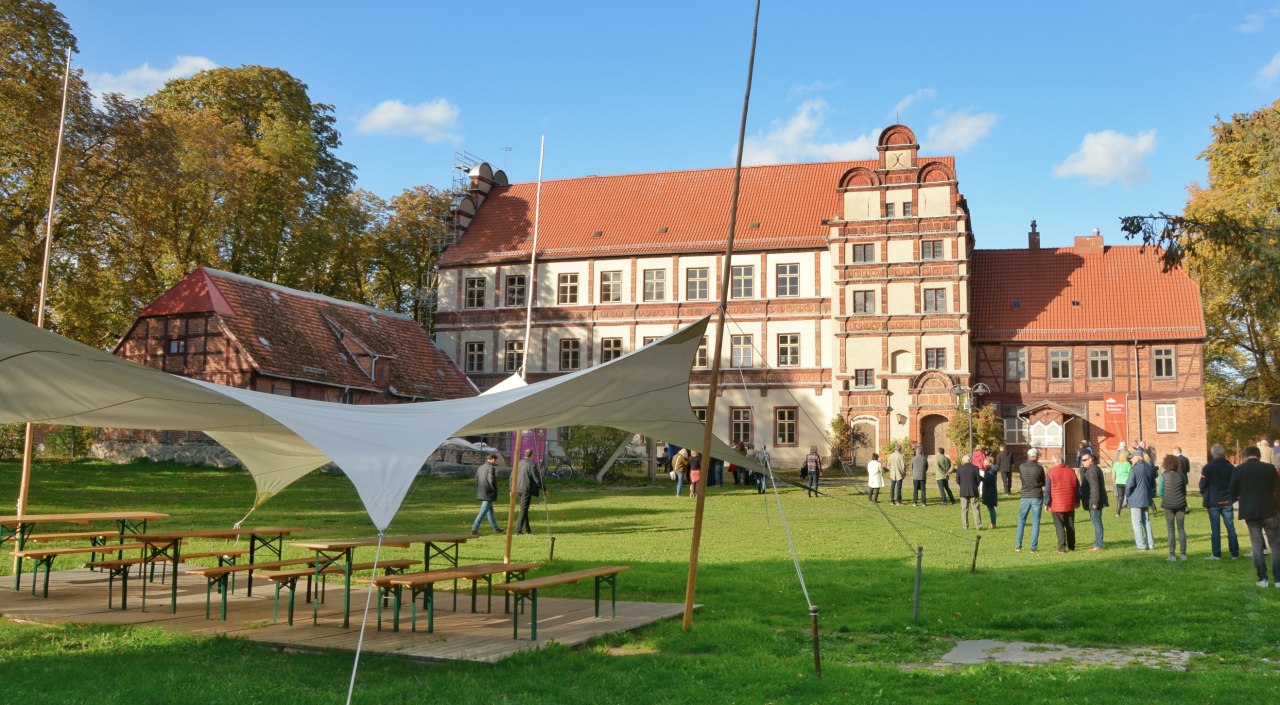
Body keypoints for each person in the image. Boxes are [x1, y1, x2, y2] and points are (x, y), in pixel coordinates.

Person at [1229, 446, 1280, 587]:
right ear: (1259, 455)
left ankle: (1262, 578)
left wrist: (1241, 498)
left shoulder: (1239, 470)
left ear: (1246, 455)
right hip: (1270, 510)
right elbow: (1278, 489)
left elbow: (1232, 491)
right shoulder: (1270, 468)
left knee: (1257, 545)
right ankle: (1278, 579)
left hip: (1250, 512)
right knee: (1275, 545)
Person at [1199, 443, 1240, 559]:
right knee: (1230, 527)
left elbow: (1202, 485)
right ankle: (1234, 553)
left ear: (1212, 454)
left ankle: (1216, 553)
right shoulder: (1231, 467)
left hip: (1213, 501)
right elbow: (1235, 484)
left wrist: (1205, 494)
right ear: (1223, 454)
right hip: (1227, 501)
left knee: (1215, 529)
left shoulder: (1207, 468)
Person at [1125, 449, 1158, 551]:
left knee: (1136, 523)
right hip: (1146, 498)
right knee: (1146, 521)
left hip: (1135, 499)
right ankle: (1150, 544)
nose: (1131, 460)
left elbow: (1129, 485)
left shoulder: (1134, 469)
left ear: (1138, 458)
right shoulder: (1149, 468)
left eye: (1132, 458)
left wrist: (1128, 496)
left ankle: (1140, 544)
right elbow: (1153, 484)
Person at [1158, 453, 1188, 561]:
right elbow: (1184, 490)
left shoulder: (1163, 476)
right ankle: (1183, 554)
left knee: (1170, 529)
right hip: (1180, 504)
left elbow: (1160, 492)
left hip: (1168, 505)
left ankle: (1172, 555)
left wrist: (1166, 496)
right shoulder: (1181, 475)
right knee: (1181, 528)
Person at [1046, 451, 1078, 552]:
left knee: (1059, 526)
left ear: (1054, 462)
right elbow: (1077, 487)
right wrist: (1077, 500)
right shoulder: (1071, 471)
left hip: (1056, 504)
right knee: (1070, 525)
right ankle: (1072, 546)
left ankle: (1061, 547)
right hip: (1069, 502)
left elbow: (1047, 490)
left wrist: (1046, 503)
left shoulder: (1050, 473)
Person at [1015, 448, 1046, 552]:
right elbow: (1043, 481)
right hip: (1036, 495)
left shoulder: (1021, 466)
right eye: (1038, 456)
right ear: (1035, 456)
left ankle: (1018, 546)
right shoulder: (1039, 468)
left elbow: (1022, 479)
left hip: (1024, 495)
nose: (1038, 457)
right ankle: (1033, 547)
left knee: (1021, 520)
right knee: (1036, 521)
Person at [1080, 451, 1108, 551]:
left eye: (1084, 460)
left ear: (1091, 460)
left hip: (1094, 501)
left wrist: (1095, 502)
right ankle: (1098, 543)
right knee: (1096, 521)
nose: (1082, 462)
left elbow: (1095, 487)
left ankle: (1098, 544)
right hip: (1093, 500)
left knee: (1096, 522)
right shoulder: (1093, 469)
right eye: (1082, 460)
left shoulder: (1092, 470)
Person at [470, 453, 503, 535]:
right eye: (495, 460)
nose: (495, 461)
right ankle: (474, 529)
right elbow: (491, 480)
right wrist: (494, 489)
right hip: (488, 492)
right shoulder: (491, 468)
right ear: (492, 459)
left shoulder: (481, 467)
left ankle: (495, 527)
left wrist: (480, 489)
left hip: (482, 491)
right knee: (483, 511)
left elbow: (476, 480)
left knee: (490, 511)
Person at [514, 448, 541, 535]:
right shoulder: (532, 465)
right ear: (532, 455)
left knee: (524, 509)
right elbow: (537, 479)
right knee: (523, 510)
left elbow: (512, 476)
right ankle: (518, 530)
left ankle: (528, 530)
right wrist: (544, 488)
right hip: (526, 490)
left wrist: (512, 488)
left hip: (518, 489)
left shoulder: (519, 463)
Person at [955, 453, 981, 530]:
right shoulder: (975, 468)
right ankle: (978, 526)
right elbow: (978, 480)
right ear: (970, 460)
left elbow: (957, 480)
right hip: (973, 490)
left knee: (964, 509)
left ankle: (965, 526)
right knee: (975, 509)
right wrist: (975, 486)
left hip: (963, 491)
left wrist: (962, 486)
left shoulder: (959, 469)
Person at [978, 455, 999, 529]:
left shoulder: (990, 471)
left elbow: (988, 481)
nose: (984, 464)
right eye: (984, 463)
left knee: (991, 508)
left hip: (990, 492)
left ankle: (993, 523)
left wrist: (980, 478)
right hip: (989, 491)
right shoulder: (989, 470)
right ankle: (993, 523)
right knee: (990, 508)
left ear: (990, 463)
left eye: (986, 463)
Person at [1111, 449, 1132, 517]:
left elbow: (1113, 473)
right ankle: (1131, 511)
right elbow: (1130, 474)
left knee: (1120, 498)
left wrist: (1114, 481)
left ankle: (1117, 513)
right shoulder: (1127, 464)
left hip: (1118, 482)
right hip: (1126, 482)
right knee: (1129, 496)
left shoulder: (1116, 464)